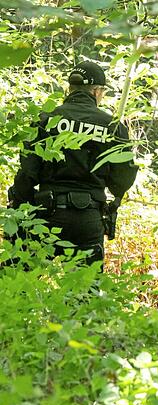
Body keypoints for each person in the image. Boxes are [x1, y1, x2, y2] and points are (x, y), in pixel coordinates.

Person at [8, 60, 137, 266]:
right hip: (88, 219)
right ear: (96, 91)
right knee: (85, 285)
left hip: (46, 215)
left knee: (24, 280)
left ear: (70, 88)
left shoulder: (46, 119)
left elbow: (27, 173)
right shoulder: (112, 127)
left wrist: (21, 208)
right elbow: (122, 179)